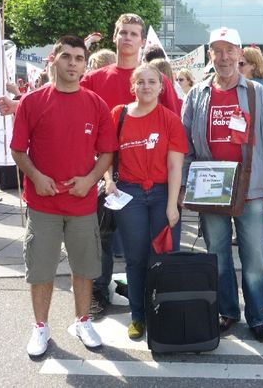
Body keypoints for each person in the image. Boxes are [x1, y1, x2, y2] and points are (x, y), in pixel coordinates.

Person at [10, 35, 118, 357]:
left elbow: (107, 153)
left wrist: (90, 180)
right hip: (42, 204)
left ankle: (83, 320)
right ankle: (40, 327)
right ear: (54, 59)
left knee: (84, 267)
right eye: (67, 56)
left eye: (79, 58)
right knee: (41, 269)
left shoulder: (95, 104)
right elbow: (18, 150)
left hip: (83, 204)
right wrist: (37, 176)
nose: (73, 63)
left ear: (85, 63)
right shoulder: (32, 102)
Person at [181, 27, 263, 342]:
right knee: (218, 256)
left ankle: (258, 316)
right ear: (209, 55)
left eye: (230, 50)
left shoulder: (256, 92)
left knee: (255, 260)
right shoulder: (197, 94)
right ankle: (228, 311)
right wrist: (187, 187)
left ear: (241, 54)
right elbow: (186, 148)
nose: (224, 57)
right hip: (211, 189)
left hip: (252, 191)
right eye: (218, 50)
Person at [106, 64, 187, 339]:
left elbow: (176, 165)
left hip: (163, 192)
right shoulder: (119, 114)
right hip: (129, 195)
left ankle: (163, 314)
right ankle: (138, 316)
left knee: (164, 257)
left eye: (152, 81)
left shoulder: (170, 119)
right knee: (136, 259)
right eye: (140, 82)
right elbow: (106, 153)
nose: (146, 86)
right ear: (133, 86)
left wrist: (172, 204)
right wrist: (108, 179)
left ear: (161, 87)